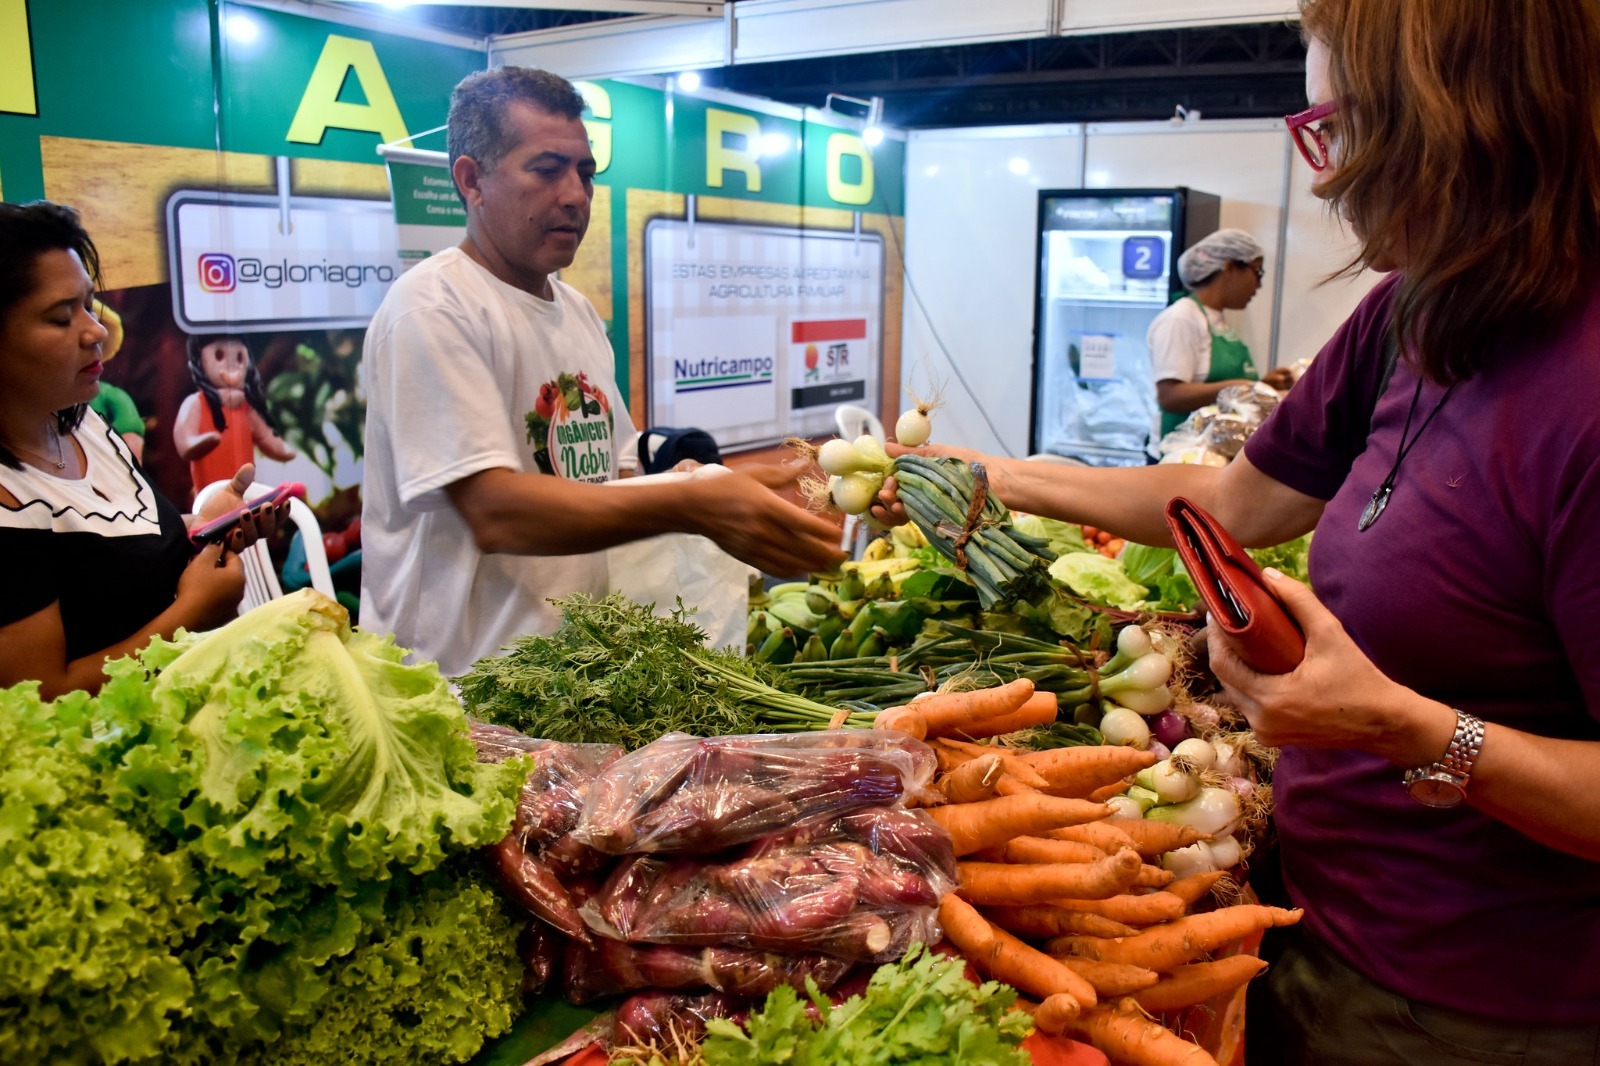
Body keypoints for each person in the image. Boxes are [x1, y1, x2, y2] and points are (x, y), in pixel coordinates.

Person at [877, 1, 1600, 1061]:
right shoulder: (1411, 315)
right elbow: (1228, 505)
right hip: (1312, 924)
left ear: (1459, 119)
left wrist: (1407, 725)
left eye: (1337, 125)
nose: (1319, 176)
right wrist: (996, 478)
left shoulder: (1581, 393)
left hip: (1474, 1003)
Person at [361, 66, 843, 677]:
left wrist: (738, 478)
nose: (575, 194)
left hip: (561, 683)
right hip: (456, 691)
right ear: (471, 179)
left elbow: (608, 470)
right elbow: (492, 509)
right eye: (546, 169)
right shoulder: (434, 308)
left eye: (585, 173)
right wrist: (692, 505)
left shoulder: (577, 312)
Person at [0, 201, 283, 698]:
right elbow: (41, 698)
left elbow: (128, 559)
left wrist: (203, 528)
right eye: (62, 317)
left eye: (89, 305)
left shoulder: (83, 422)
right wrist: (190, 616)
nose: (97, 332)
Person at [1147, 228, 1292, 438]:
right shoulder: (1182, 317)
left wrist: (1262, 386)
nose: (1259, 285)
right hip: (1180, 452)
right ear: (1230, 267)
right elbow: (1170, 396)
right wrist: (1242, 386)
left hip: (1212, 447)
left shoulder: (1217, 320)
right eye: (1257, 272)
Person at [172, 332, 296, 502]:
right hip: (209, 493)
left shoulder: (246, 409)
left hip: (244, 493)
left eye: (239, 358)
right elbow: (185, 439)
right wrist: (196, 443)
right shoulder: (197, 404)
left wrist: (282, 449)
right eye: (219, 355)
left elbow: (266, 437)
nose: (232, 367)